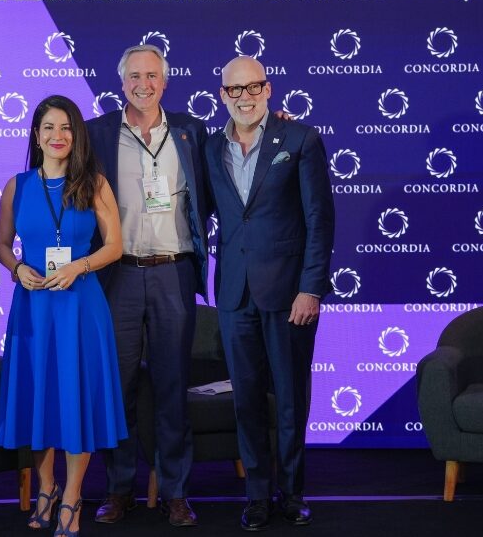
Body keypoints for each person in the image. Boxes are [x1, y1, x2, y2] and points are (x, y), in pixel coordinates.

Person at [205, 56, 335, 531]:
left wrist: (310, 289)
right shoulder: (209, 146)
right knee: (245, 401)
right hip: (234, 293)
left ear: (268, 89)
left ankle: (293, 493)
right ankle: (257, 496)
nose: (244, 97)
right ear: (223, 95)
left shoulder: (300, 139)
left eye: (253, 87)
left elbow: (320, 220)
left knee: (290, 400)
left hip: (288, 295)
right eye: (234, 89)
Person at [85, 45, 211, 527]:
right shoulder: (96, 133)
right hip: (116, 273)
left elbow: (226, 171)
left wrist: (275, 122)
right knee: (116, 387)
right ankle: (119, 489)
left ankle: (176, 492)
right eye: (135, 76)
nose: (144, 84)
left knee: (172, 385)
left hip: (173, 272)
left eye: (152, 75)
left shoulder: (191, 131)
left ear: (165, 81)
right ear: (122, 82)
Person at [0, 95, 127, 537]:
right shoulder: (17, 186)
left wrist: (79, 266)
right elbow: (1, 244)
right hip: (33, 309)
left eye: (66, 127)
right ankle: (46, 489)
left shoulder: (95, 183)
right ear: (36, 135)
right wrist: (17, 269)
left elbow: (115, 246)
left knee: (76, 400)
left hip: (80, 307)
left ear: (77, 135)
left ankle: (72, 496)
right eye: (49, 127)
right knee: (40, 398)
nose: (58, 135)